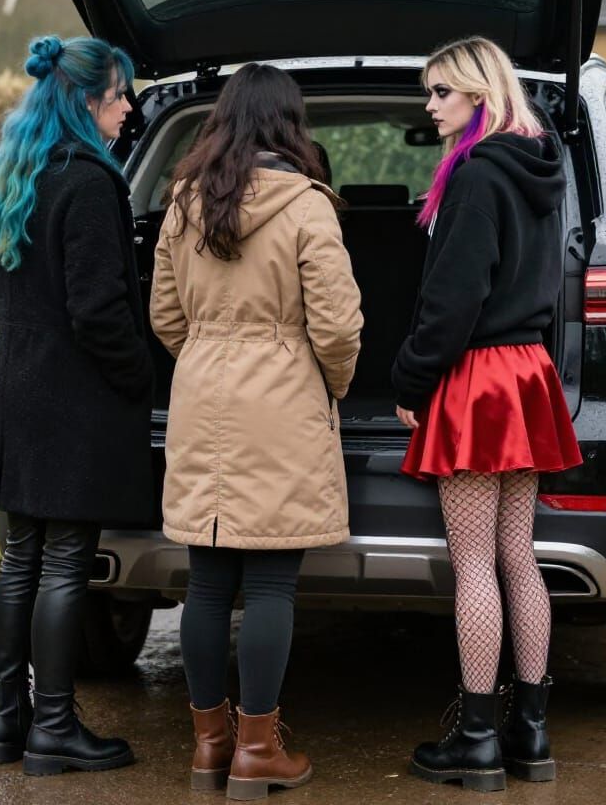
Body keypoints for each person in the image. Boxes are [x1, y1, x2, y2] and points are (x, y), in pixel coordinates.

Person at [150, 63, 363, 800]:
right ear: (289, 125)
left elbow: (166, 316)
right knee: (271, 578)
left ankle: (209, 746)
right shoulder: (308, 206)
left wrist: (209, 358)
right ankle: (257, 751)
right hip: (282, 398)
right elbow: (337, 326)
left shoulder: (182, 202)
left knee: (207, 581)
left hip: (201, 394)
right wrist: (327, 384)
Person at [392, 37, 582, 792]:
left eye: (440, 91)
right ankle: (529, 735)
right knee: (519, 556)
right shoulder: (541, 169)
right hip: (527, 373)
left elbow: (454, 300)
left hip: (477, 378)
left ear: (476, 92)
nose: (429, 105)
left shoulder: (474, 176)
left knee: (474, 562)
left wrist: (410, 377)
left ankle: (476, 740)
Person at [0, 34, 154, 777]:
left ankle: (7, 723)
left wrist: (29, 343)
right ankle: (55, 728)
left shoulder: (15, 173)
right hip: (75, 395)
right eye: (119, 96)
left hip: (16, 389)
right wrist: (138, 376)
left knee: (20, 559)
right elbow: (98, 309)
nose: (129, 108)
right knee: (66, 562)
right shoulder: (88, 182)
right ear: (85, 102)